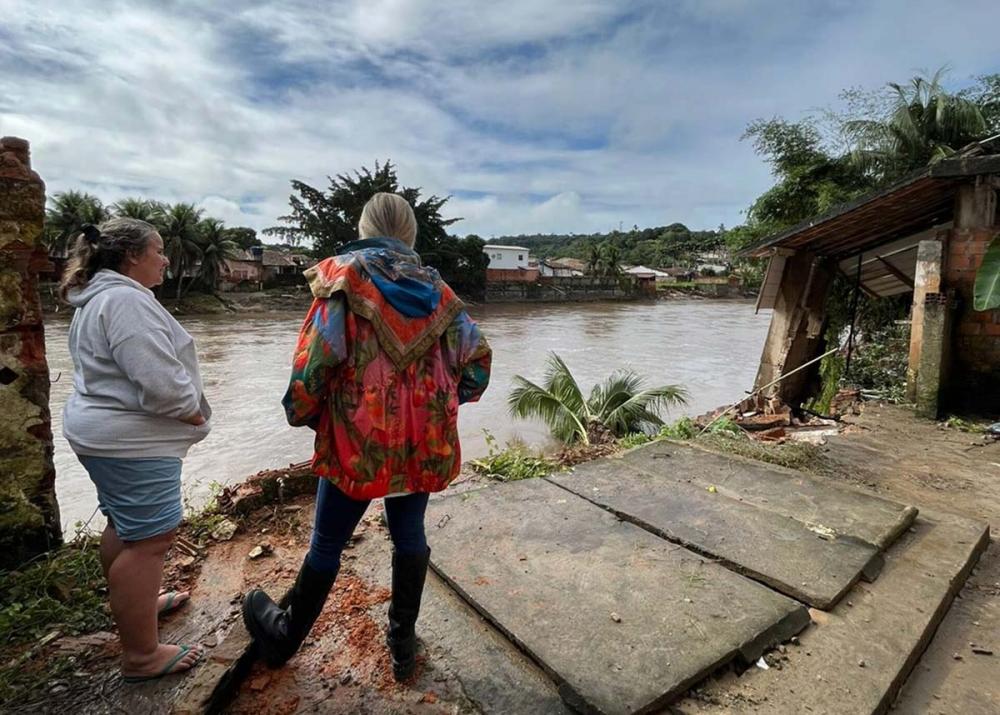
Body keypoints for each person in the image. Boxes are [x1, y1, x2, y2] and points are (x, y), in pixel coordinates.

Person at [242, 192, 491, 680]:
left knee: (327, 543)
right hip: (423, 442)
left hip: (358, 440)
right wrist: (436, 408)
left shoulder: (344, 278)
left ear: (364, 227)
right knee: (409, 535)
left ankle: (285, 636)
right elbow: (478, 364)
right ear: (410, 234)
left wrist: (309, 416)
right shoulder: (439, 292)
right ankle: (402, 646)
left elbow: (313, 365)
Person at [60, 218, 211, 683]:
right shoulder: (125, 300)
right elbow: (160, 382)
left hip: (103, 434)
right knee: (151, 541)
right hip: (131, 442)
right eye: (158, 250)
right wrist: (193, 412)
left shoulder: (99, 298)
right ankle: (142, 655)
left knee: (126, 528)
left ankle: (138, 605)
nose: (165, 259)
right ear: (131, 256)